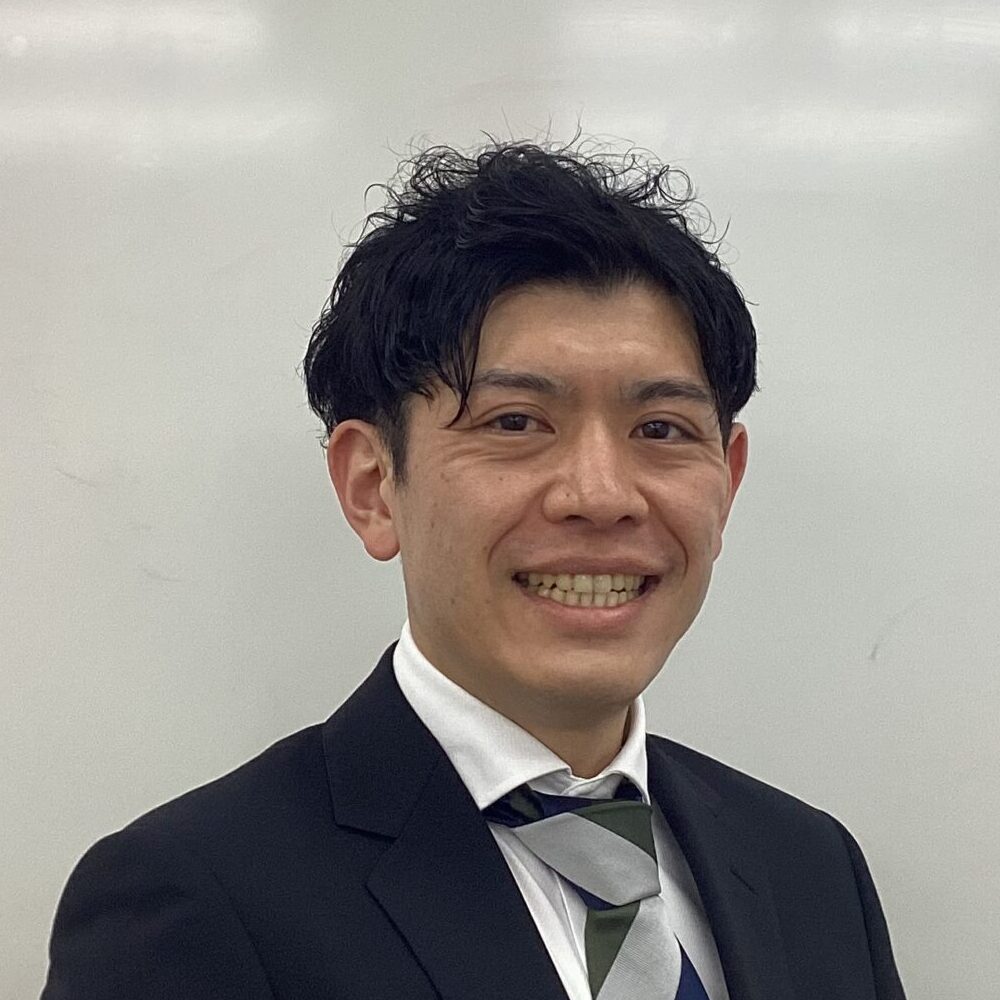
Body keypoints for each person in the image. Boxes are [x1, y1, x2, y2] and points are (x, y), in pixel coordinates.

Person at [41, 139, 907, 1000]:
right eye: (515, 423)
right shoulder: (195, 899)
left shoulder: (809, 866)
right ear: (373, 487)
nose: (601, 495)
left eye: (661, 430)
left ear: (728, 481)